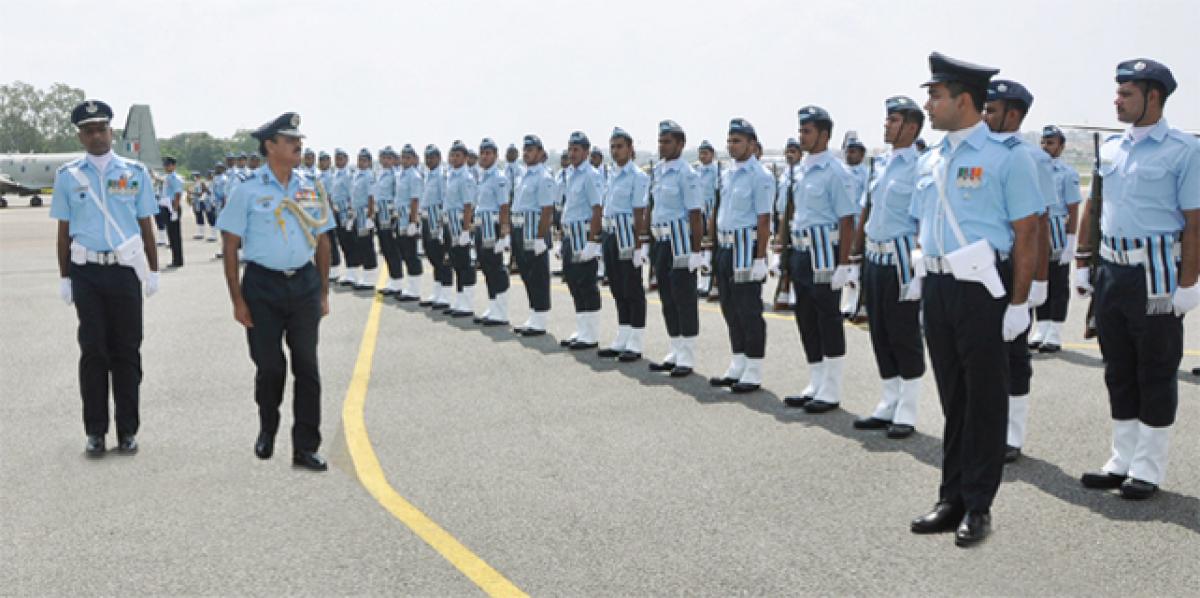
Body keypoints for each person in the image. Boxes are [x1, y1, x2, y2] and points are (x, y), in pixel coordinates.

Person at [907, 53, 1042, 547]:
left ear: (963, 100)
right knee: (953, 399)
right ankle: (951, 497)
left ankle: (979, 506)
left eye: (935, 95)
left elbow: (1027, 233)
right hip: (939, 287)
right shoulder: (931, 158)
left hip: (984, 289)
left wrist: (1019, 304)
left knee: (985, 400)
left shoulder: (1010, 156)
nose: (928, 104)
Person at [1076, 58, 1199, 500]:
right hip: (1113, 270)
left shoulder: (1184, 150)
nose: (1117, 100)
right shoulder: (1110, 149)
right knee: (1118, 368)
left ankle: (1147, 468)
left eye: (1127, 93)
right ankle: (1121, 460)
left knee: (1156, 370)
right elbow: (1096, 208)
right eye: (1117, 91)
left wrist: (1189, 285)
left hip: (1158, 275)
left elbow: (1194, 222)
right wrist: (1086, 264)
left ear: (1155, 98)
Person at [216, 112, 333, 472]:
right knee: (270, 367)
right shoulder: (247, 189)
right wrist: (237, 299)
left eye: (299, 140)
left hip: (303, 285)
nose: (298, 145)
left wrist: (323, 291)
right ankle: (268, 427)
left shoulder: (311, 186)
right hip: (262, 287)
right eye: (289, 140)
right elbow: (231, 245)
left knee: (307, 368)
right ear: (270, 146)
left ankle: (306, 446)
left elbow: (323, 239)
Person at [51, 99, 160, 456]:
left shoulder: (135, 173)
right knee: (93, 351)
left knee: (127, 351)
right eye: (88, 130)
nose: (96, 135)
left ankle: (128, 430)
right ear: (81, 136)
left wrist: (153, 270)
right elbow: (64, 231)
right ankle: (95, 431)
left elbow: (146, 223)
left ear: (111, 132)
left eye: (101, 129)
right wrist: (65, 276)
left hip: (125, 271)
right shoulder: (68, 177)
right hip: (87, 273)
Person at [982, 79, 1055, 464]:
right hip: (983, 267)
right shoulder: (980, 153)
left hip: (1014, 267)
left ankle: (1012, 434)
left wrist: (1038, 281)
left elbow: (1038, 225)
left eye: (991, 110)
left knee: (1014, 354)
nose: (984, 116)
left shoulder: (1031, 158)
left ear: (1013, 114)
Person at [850, 96, 926, 439]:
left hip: (901, 260)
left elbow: (925, 219)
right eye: (886, 119)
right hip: (874, 258)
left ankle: (907, 409)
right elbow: (866, 213)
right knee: (879, 332)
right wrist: (854, 260)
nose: (886, 125)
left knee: (904, 334)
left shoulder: (922, 166)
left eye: (893, 120)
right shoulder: (880, 164)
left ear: (911, 127)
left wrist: (920, 269)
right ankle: (888, 401)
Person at [778, 106, 859, 413]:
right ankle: (816, 380)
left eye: (807, 131)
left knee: (828, 318)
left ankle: (832, 387)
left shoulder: (836, 172)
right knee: (806, 317)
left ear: (824, 135)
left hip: (825, 253)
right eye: (800, 131)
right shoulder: (798, 170)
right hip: (800, 252)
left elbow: (847, 221)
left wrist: (843, 265)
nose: (802, 137)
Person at [707, 119, 772, 392]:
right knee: (729, 309)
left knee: (749, 310)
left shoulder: (761, 176)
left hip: (746, 248)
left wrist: (760, 258)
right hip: (724, 246)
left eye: (737, 141)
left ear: (752, 144)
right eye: (729, 140)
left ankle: (754, 368)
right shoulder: (727, 174)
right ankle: (738, 362)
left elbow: (764, 220)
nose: (731, 146)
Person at [646, 120, 704, 377]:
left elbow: (695, 214)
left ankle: (687, 355)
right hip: (661, 241)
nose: (662, 146)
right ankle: (675, 347)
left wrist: (696, 251)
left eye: (667, 141)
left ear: (680, 144)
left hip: (680, 242)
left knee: (684, 298)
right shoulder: (657, 171)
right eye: (660, 141)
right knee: (667, 298)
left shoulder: (687, 174)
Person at [597, 127, 650, 361]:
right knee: (617, 287)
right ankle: (623, 335)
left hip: (628, 235)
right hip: (610, 234)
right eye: (612, 147)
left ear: (630, 149)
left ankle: (636, 341)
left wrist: (640, 246)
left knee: (632, 288)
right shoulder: (610, 174)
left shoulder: (637, 176)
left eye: (620, 146)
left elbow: (640, 213)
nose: (615, 151)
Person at [1030, 125, 1081, 353]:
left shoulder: (1067, 173)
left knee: (1058, 282)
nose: (1045, 147)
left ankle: (1055, 330)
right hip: (1037, 227)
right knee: (1039, 278)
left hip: (1058, 228)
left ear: (1061, 147)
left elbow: (1073, 207)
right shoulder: (1033, 168)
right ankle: (1040, 327)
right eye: (1043, 142)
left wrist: (1071, 240)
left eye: (1050, 143)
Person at [511, 135, 557, 336]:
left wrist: (541, 237)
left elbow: (547, 210)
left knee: (538, 275)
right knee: (526, 273)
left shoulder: (543, 177)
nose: (527, 153)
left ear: (540, 153)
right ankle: (533, 314)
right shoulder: (523, 175)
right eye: (525, 149)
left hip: (534, 230)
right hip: (520, 228)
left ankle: (540, 318)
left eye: (531, 149)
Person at [473, 138, 512, 325]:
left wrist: (504, 235)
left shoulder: (499, 177)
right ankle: (493, 304)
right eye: (482, 152)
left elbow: (504, 206)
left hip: (494, 227)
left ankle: (502, 310)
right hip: (482, 226)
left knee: (496, 268)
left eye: (488, 153)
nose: (484, 156)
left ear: (496, 155)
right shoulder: (482, 176)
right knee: (486, 267)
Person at [444, 140, 480, 317]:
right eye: (452, 155)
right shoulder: (452, 175)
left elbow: (468, 206)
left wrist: (466, 230)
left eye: (458, 155)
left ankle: (467, 302)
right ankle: (459, 299)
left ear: (466, 158)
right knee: (456, 262)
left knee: (465, 263)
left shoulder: (466, 177)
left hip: (461, 222)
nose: (454, 158)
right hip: (451, 223)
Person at [420, 144, 454, 309]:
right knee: (432, 255)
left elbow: (444, 200)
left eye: (432, 157)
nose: (429, 160)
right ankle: (437, 291)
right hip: (427, 218)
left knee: (442, 257)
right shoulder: (428, 175)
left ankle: (446, 295)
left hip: (437, 219)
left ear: (439, 158)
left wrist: (441, 226)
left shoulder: (442, 176)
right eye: (427, 157)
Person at [391, 144, 425, 302]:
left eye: (408, 157)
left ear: (414, 159)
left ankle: (415, 289)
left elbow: (415, 200)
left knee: (411, 254)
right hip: (401, 218)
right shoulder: (402, 175)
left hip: (409, 219)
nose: (405, 160)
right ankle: (409, 286)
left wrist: (413, 222)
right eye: (403, 157)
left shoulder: (414, 176)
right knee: (404, 252)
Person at [372, 147, 405, 296]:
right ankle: (393, 280)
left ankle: (397, 281)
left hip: (389, 214)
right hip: (380, 212)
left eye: (389, 158)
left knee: (392, 248)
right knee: (384, 247)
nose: (385, 161)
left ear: (394, 159)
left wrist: (394, 213)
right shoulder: (380, 174)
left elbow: (397, 194)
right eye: (383, 157)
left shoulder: (395, 175)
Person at [350, 148, 379, 291]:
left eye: (363, 160)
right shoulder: (357, 175)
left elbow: (371, 196)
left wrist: (370, 216)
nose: (360, 162)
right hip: (358, 213)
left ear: (369, 162)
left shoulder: (368, 176)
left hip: (365, 213)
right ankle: (365, 275)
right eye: (359, 160)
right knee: (360, 244)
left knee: (367, 245)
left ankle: (370, 278)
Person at [330, 149, 359, 286]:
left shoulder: (348, 175)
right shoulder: (336, 174)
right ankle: (349, 272)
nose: (338, 161)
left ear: (346, 159)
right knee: (343, 243)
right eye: (336, 158)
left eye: (341, 158)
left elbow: (352, 195)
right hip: (337, 211)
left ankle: (353, 273)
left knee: (350, 243)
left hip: (345, 212)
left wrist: (350, 215)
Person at [695, 139, 719, 299]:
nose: (703, 156)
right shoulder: (697, 171)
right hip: (701, 214)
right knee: (702, 249)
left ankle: (712, 283)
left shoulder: (717, 171)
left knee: (711, 249)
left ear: (712, 154)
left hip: (712, 214)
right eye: (701, 153)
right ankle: (702, 283)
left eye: (706, 153)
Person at [316, 150, 343, 281]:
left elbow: (331, 196)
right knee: (323, 240)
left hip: (329, 212)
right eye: (320, 160)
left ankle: (336, 268)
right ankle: (330, 268)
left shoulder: (330, 177)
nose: (322, 162)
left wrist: (332, 211)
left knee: (331, 241)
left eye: (325, 160)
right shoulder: (319, 176)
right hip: (321, 212)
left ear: (329, 162)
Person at [160, 156, 185, 268]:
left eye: (168, 164)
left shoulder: (175, 178)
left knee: (175, 235)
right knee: (171, 234)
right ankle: (175, 258)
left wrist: (174, 210)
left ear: (174, 166)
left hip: (172, 207)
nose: (166, 167)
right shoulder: (168, 177)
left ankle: (178, 260)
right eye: (165, 165)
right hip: (167, 206)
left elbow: (178, 194)